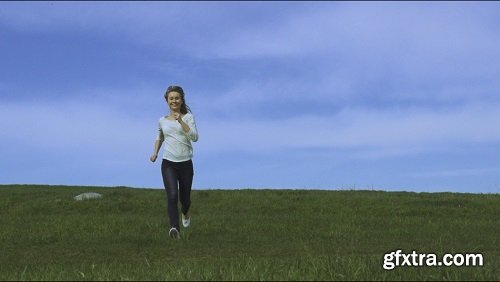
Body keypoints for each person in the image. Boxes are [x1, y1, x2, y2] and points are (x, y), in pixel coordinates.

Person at [150, 85, 198, 240]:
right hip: (168, 162)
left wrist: (181, 121)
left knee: (184, 199)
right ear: (167, 101)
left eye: (177, 98)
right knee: (172, 195)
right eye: (171, 98)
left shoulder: (188, 117)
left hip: (185, 163)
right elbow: (160, 137)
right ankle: (174, 229)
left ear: (181, 99)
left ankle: (185, 211)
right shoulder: (162, 121)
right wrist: (155, 153)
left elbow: (195, 137)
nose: (174, 101)